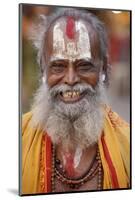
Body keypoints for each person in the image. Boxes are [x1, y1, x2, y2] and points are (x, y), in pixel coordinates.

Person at [21, 8, 130, 195]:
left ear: (103, 69)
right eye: (58, 66)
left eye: (84, 65)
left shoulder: (127, 144)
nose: (71, 79)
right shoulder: (17, 139)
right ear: (42, 70)